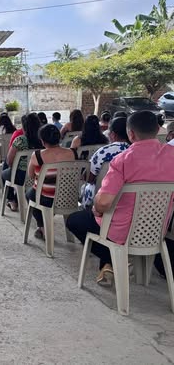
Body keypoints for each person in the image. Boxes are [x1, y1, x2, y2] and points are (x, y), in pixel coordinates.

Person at [66, 111, 174, 286]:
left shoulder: (122, 160)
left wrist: (96, 208)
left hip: (121, 232)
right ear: (157, 129)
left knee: (75, 220)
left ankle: (113, 259)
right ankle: (113, 262)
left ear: (131, 133)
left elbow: (103, 203)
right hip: (157, 230)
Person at [26, 124, 77, 239]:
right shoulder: (72, 153)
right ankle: (44, 224)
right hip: (68, 197)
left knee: (29, 194)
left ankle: (42, 226)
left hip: (46, 199)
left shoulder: (37, 155)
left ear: (42, 141)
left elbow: (31, 175)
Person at [80, 117, 130, 209]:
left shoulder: (103, 152)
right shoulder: (135, 150)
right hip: (128, 197)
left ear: (113, 134)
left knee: (85, 187)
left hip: (101, 196)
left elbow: (89, 178)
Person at [1, 113, 43, 212]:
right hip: (39, 175)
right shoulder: (43, 139)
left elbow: (9, 160)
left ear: (24, 126)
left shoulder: (20, 140)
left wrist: (14, 167)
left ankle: (12, 200)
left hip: (20, 175)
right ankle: (17, 198)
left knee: (4, 173)